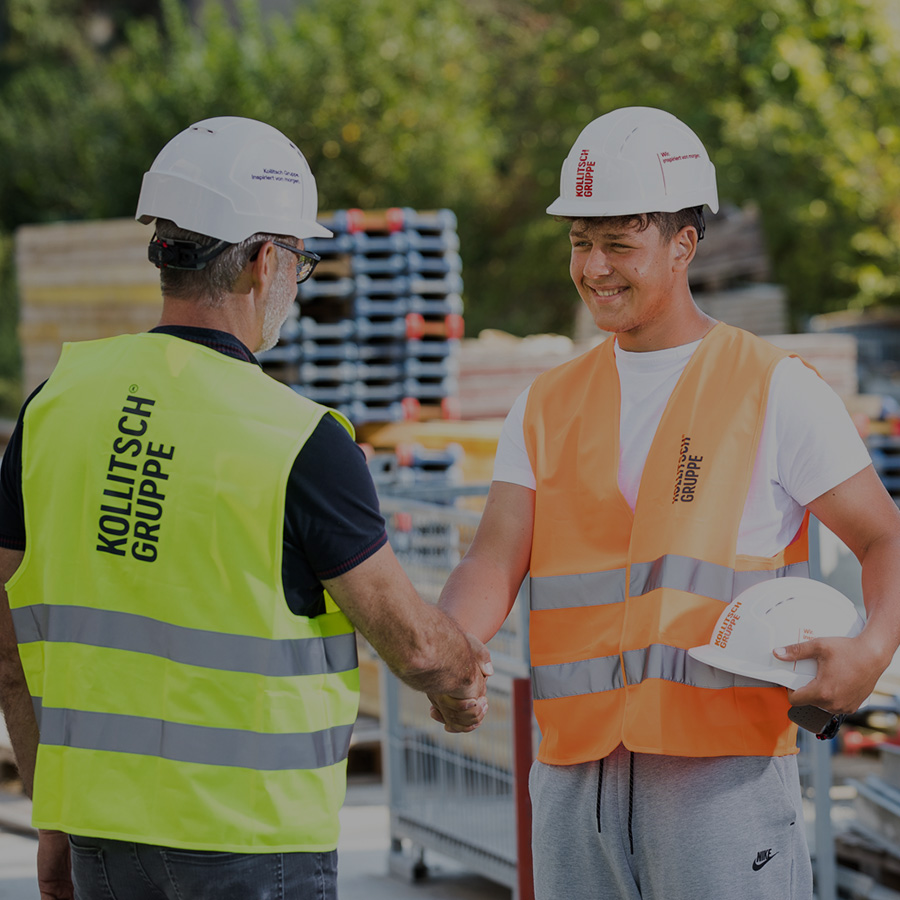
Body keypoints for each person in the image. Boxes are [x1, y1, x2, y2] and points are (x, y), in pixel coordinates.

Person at [0, 116, 489, 900]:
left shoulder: (54, 407)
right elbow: (417, 647)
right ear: (267, 261)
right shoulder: (300, 441)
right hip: (251, 846)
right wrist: (463, 677)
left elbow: (10, 656)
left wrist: (52, 817)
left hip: (98, 839)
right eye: (303, 259)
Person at [433, 106, 900, 900]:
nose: (594, 268)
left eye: (619, 243)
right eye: (581, 243)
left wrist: (871, 652)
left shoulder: (772, 387)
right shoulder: (546, 404)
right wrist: (447, 649)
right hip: (574, 780)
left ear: (684, 243)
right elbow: (493, 557)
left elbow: (885, 539)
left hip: (723, 784)